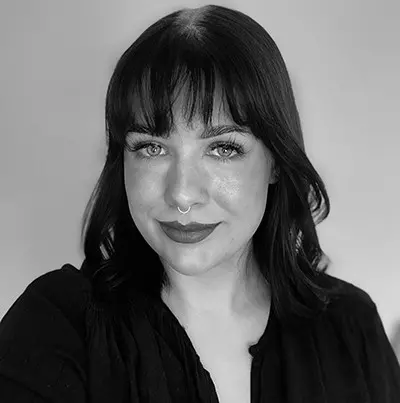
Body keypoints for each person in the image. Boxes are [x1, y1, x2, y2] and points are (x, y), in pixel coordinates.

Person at [0, 4, 399, 402]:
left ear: (276, 161)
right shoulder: (55, 328)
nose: (182, 194)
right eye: (152, 147)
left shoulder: (352, 328)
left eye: (223, 149)